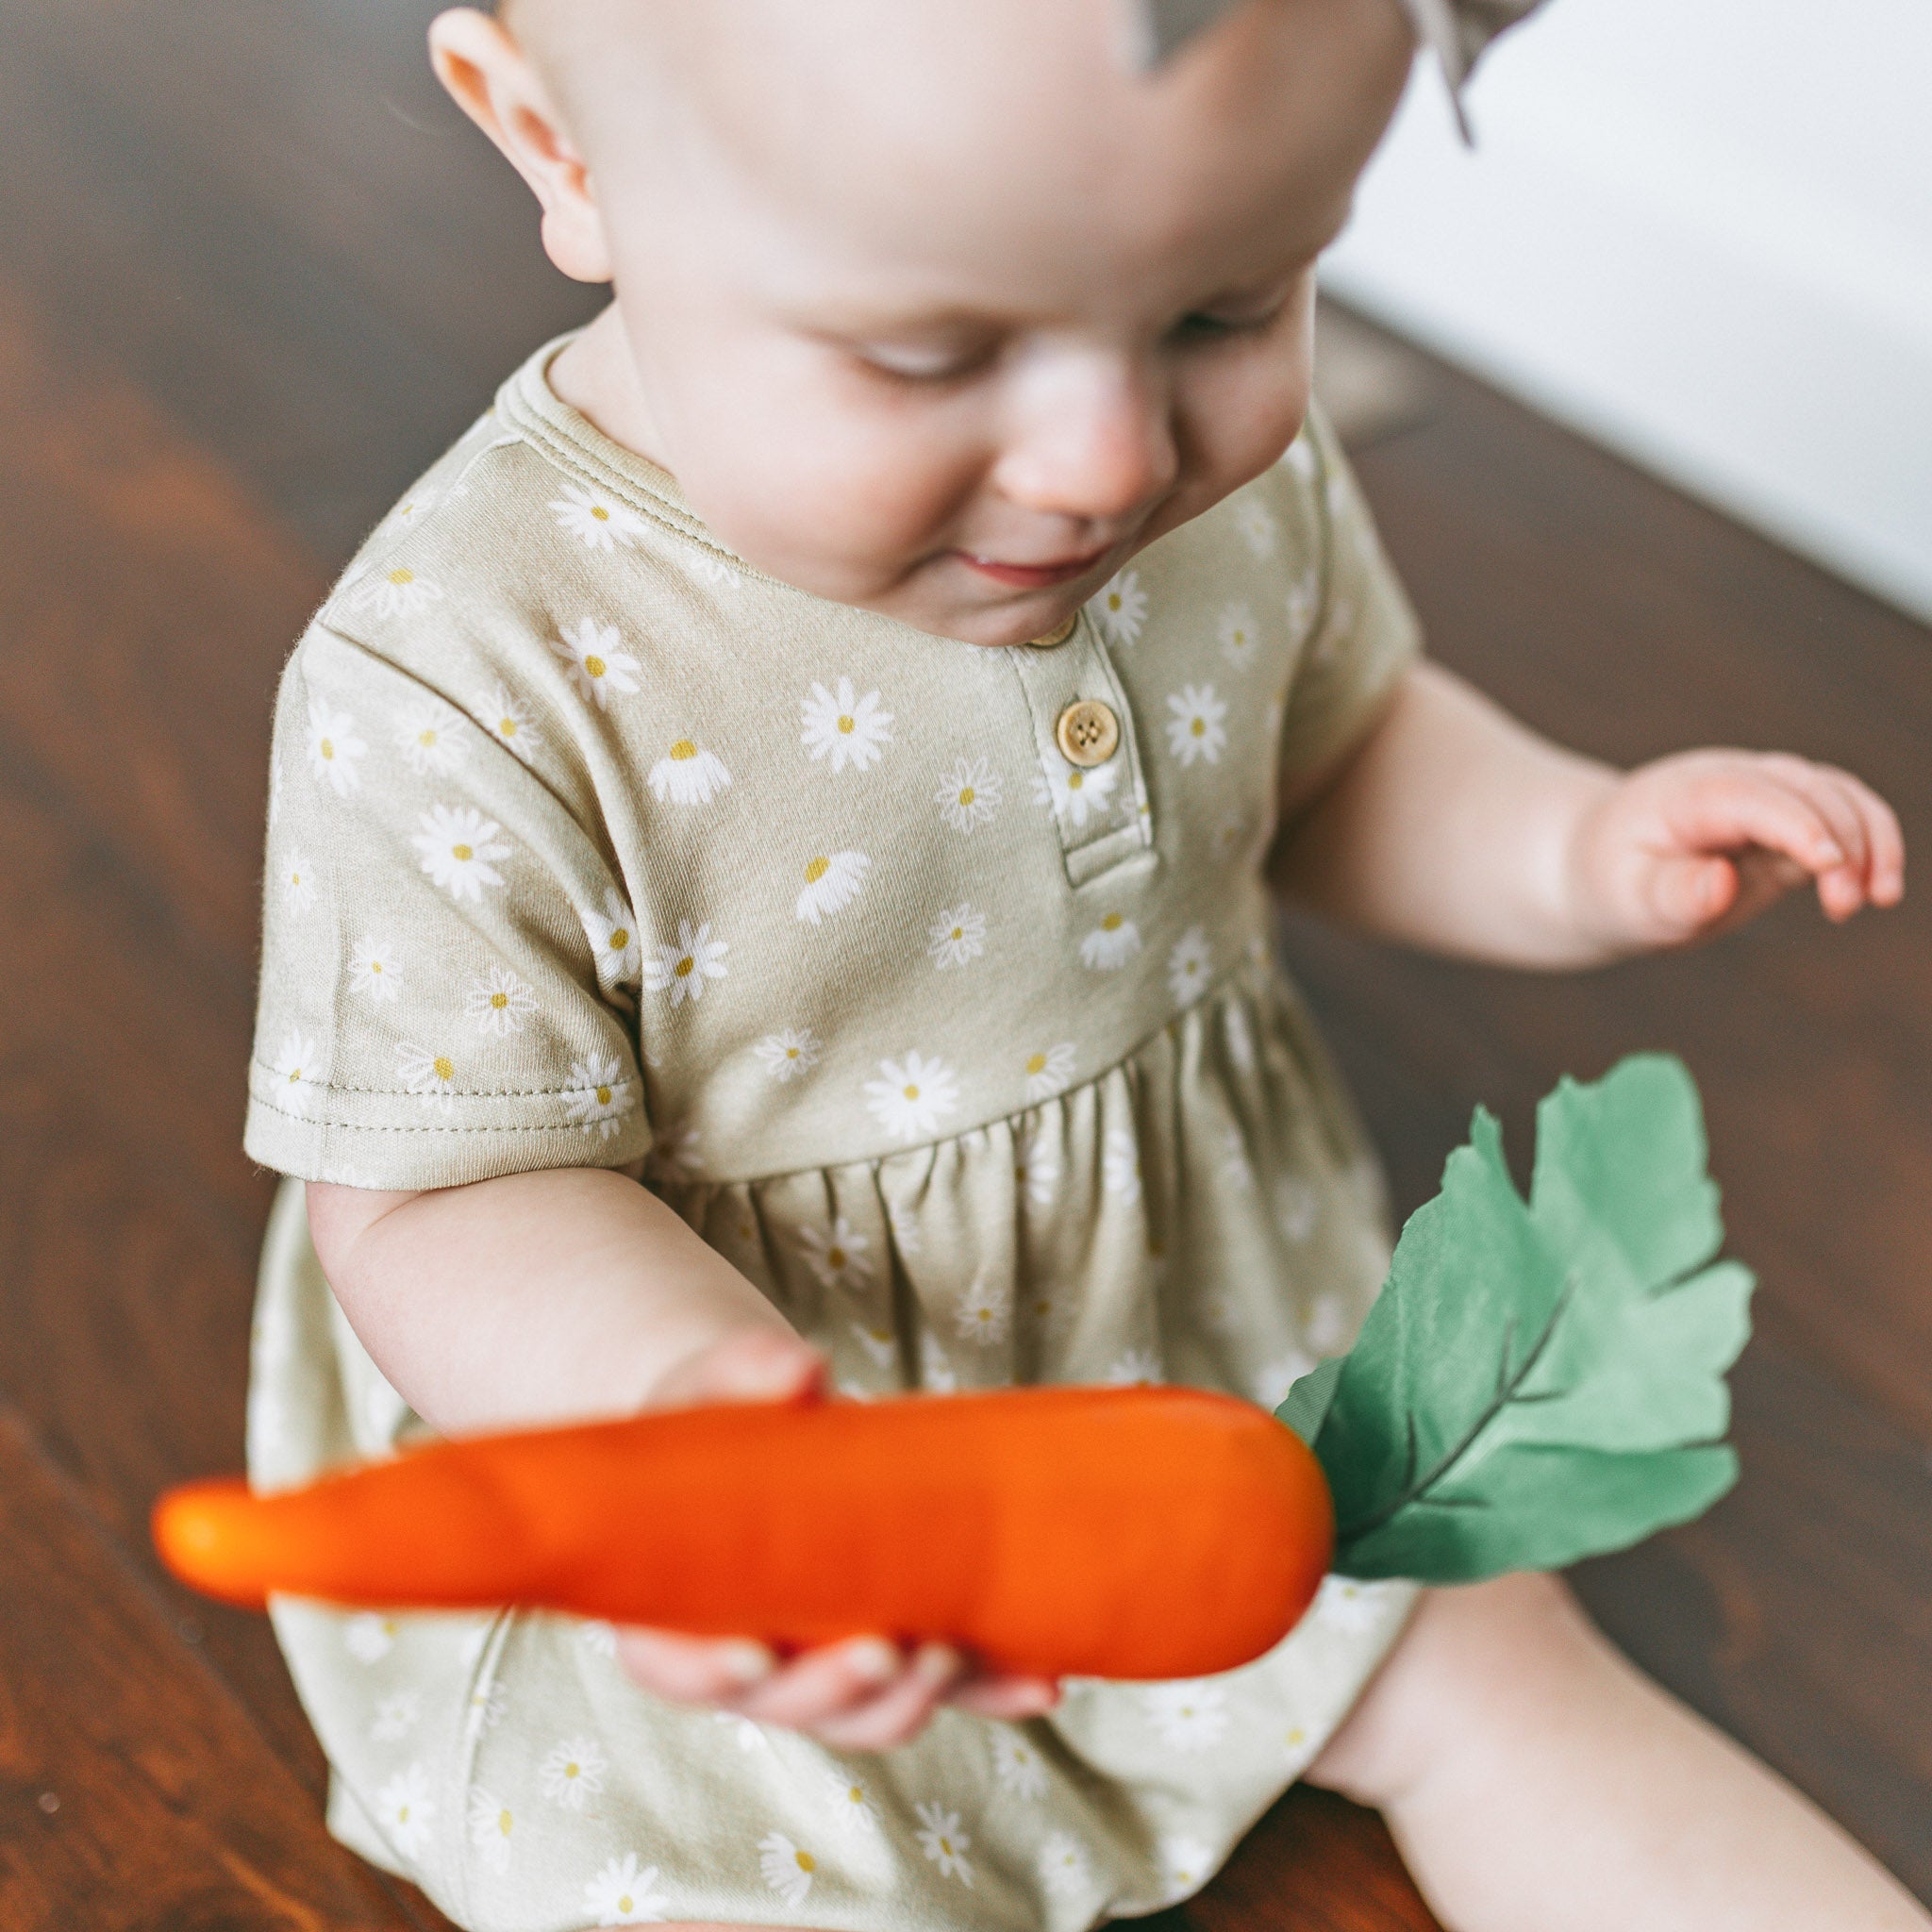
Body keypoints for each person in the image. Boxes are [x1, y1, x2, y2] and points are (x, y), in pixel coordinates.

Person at [242, 1, 1923, 1926]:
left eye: (1229, 306)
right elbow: (450, 1197)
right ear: (558, 145)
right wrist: (698, 1444)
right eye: (924, 350)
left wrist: (1566, 842)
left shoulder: (1211, 490)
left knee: (1494, 1672)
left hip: (1199, 1346)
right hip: (723, 1440)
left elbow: (1333, 742)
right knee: (725, 1865)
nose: (1104, 460)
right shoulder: (469, 664)